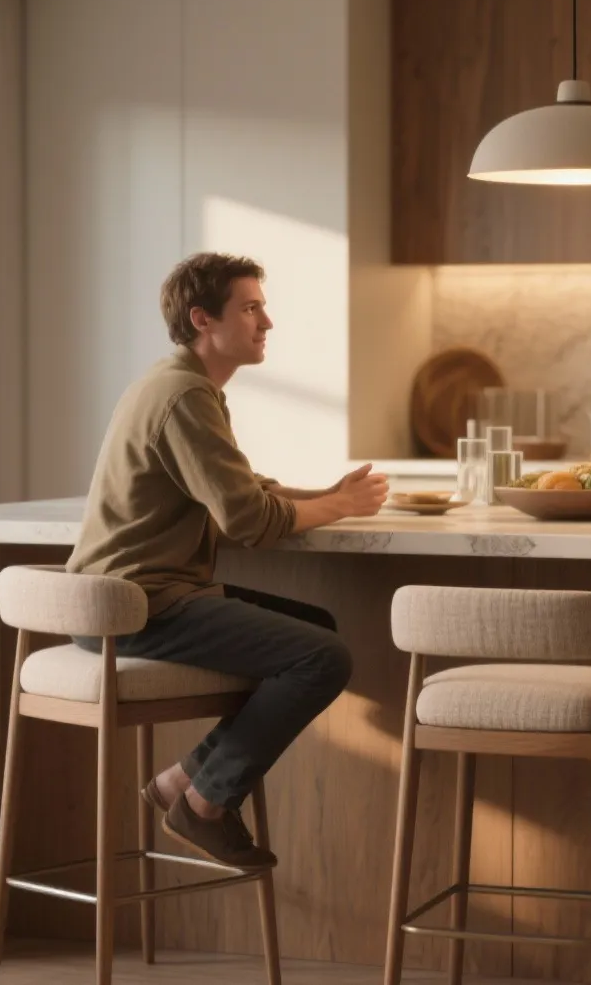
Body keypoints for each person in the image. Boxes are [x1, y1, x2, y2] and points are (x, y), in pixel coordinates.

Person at [66, 251, 390, 868]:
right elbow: (249, 520)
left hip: (132, 598)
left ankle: (183, 779)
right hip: (138, 607)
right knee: (323, 658)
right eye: (250, 308)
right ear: (201, 319)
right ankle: (206, 803)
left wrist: (326, 495)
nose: (266, 322)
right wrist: (342, 507)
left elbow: (242, 486)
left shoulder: (176, 383)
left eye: (262, 308)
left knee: (316, 633)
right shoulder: (185, 394)